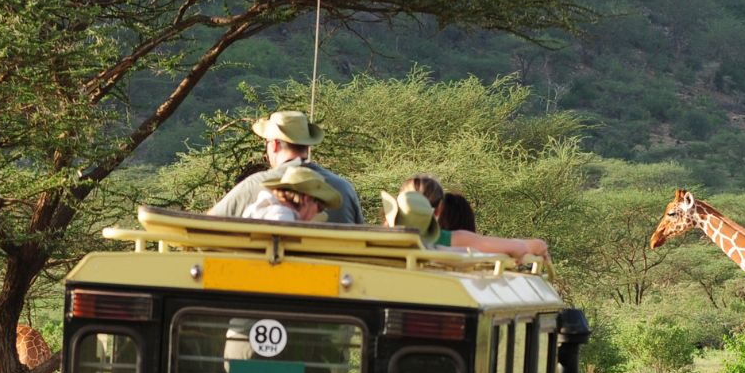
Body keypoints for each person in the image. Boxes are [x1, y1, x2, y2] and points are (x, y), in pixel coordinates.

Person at [209, 110, 362, 224]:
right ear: (307, 146)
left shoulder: (253, 184)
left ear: (274, 145)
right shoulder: (344, 188)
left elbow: (205, 225)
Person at [396, 174, 550, 261]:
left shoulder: (377, 237)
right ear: (439, 210)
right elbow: (518, 248)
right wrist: (538, 245)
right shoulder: (448, 239)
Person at [241, 165, 342, 223]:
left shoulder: (257, 209)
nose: (318, 213)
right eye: (320, 207)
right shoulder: (282, 216)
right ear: (307, 199)